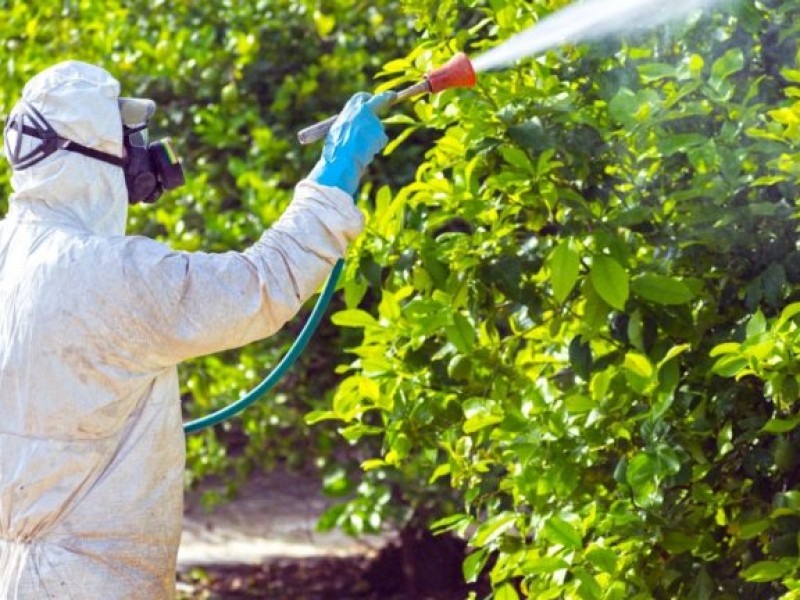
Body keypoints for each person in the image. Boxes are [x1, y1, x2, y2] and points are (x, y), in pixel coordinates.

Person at [0, 60, 393, 599]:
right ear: (89, 153)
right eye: (126, 139)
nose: (139, 155)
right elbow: (260, 283)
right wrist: (336, 172)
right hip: (91, 581)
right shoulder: (110, 273)